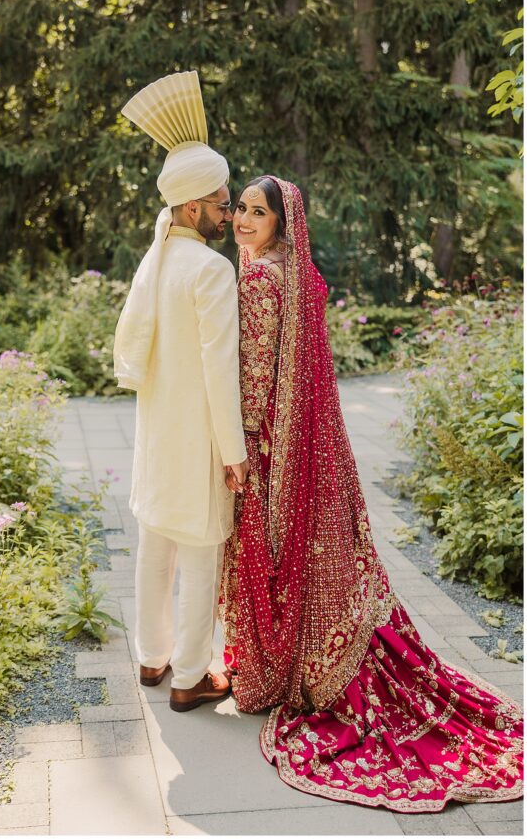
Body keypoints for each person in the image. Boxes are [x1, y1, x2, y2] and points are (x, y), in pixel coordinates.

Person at [220, 174, 523, 810]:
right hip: (307, 442)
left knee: (272, 551)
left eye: (257, 212)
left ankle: (276, 672)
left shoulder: (256, 279)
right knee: (316, 555)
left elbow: (254, 372)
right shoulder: (297, 271)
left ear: (282, 221)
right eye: (240, 209)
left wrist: (239, 447)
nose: (243, 221)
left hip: (274, 441)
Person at [114, 70, 249, 713]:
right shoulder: (211, 268)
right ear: (193, 206)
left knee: (154, 547)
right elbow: (221, 369)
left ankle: (151, 658)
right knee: (199, 557)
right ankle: (192, 676)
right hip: (196, 438)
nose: (231, 214)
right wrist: (236, 452)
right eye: (224, 204)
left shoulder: (157, 257)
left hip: (154, 434)